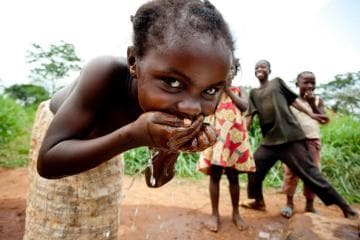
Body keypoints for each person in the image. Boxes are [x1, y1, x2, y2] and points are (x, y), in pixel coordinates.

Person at [23, 1, 235, 239]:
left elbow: (155, 182)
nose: (191, 107)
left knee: (98, 223)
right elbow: (49, 162)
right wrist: (134, 135)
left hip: (110, 146)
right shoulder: (104, 73)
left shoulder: (169, 113)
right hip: (60, 137)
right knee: (54, 223)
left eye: (209, 91)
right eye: (173, 82)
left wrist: (170, 147)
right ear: (134, 62)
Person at [241, 59, 358, 219]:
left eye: (263, 66)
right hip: (270, 141)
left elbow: (293, 100)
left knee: (311, 174)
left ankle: (346, 208)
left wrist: (311, 113)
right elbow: (249, 115)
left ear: (269, 70)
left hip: (290, 138)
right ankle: (258, 201)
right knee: (254, 167)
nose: (260, 69)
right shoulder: (254, 93)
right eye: (257, 67)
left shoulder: (277, 83)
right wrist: (241, 133)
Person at [197, 58, 256, 232]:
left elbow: (244, 107)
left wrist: (228, 90)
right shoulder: (213, 90)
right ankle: (214, 214)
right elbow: (210, 109)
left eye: (231, 69)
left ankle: (236, 213)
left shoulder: (240, 90)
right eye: (225, 69)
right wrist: (219, 89)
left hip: (234, 140)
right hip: (217, 139)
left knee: (233, 177)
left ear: (235, 72)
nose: (228, 72)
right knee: (214, 176)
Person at [281, 71, 328, 218]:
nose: (309, 86)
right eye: (305, 82)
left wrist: (313, 104)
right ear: (297, 84)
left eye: (312, 82)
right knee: (291, 172)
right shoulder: (291, 101)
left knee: (313, 173)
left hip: (312, 141)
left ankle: (309, 204)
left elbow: (323, 119)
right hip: (294, 142)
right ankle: (289, 203)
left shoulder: (318, 100)